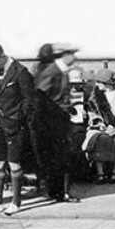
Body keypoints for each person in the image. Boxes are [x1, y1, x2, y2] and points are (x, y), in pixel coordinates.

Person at [34, 42, 79, 202]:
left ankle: (59, 192)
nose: (74, 57)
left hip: (59, 118)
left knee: (61, 156)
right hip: (53, 121)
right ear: (65, 55)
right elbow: (40, 96)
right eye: (72, 54)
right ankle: (59, 193)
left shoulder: (59, 70)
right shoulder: (53, 71)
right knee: (59, 156)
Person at [0, 45, 35, 215]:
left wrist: (18, 117)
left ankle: (16, 201)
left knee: (14, 164)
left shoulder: (20, 72)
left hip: (14, 124)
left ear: (1, 57)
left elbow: (29, 100)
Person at [83, 69, 115, 184]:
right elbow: (92, 111)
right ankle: (100, 173)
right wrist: (99, 124)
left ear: (107, 84)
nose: (97, 85)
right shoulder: (95, 96)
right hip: (101, 127)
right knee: (98, 139)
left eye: (100, 82)